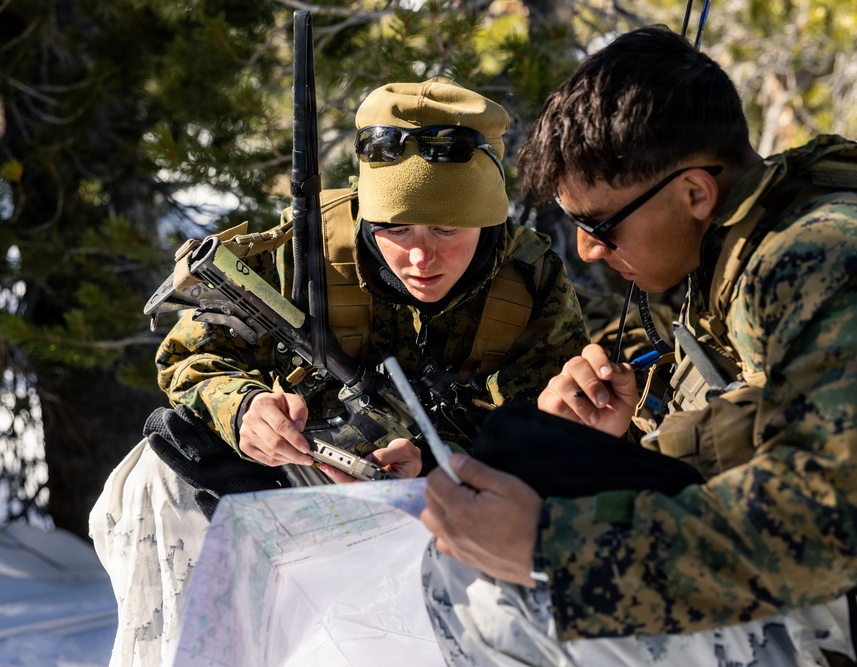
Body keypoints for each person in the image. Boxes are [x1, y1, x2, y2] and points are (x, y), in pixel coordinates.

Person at [419, 26, 857, 667]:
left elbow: (819, 524)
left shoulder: (840, 257)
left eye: (599, 225)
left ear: (695, 193)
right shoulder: (737, 258)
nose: (585, 250)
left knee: (493, 594)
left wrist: (548, 545)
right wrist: (610, 443)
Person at [89, 77, 590, 667]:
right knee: (159, 469)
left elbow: (551, 433)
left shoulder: (528, 279)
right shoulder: (305, 249)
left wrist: (434, 462)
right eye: (395, 228)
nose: (419, 256)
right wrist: (247, 410)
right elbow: (192, 357)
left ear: (487, 221)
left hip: (448, 509)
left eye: (447, 230)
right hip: (303, 480)